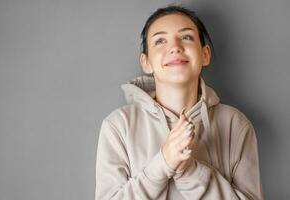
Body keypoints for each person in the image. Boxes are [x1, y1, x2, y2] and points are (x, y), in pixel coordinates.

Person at [95, 5, 264, 200]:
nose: (175, 47)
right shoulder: (118, 126)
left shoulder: (236, 125)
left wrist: (191, 172)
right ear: (146, 62)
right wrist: (163, 164)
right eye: (160, 41)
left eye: (186, 37)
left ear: (205, 54)